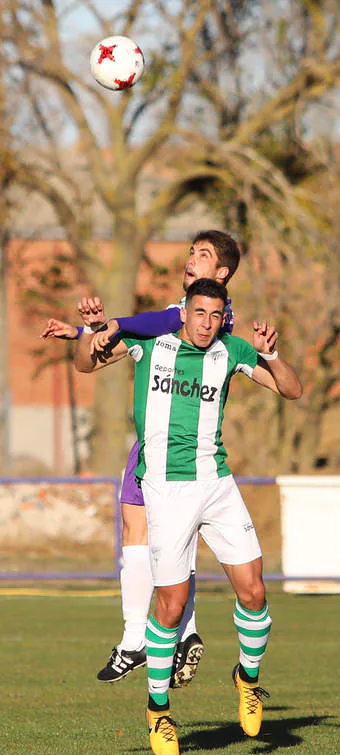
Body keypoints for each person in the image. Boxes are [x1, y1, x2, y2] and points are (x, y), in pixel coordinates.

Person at [74, 277, 302, 755]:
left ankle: (247, 679)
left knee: (255, 588)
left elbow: (292, 390)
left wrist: (273, 355)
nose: (206, 323)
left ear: (224, 317)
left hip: (216, 482)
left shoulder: (232, 350)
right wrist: (90, 335)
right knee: (172, 606)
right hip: (165, 489)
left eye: (215, 315)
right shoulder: (149, 342)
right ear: (184, 312)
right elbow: (86, 364)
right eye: (199, 313)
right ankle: (158, 711)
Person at [41, 231, 240, 688]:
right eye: (191, 252)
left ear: (223, 274)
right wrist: (86, 332)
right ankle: (169, 635)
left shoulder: (210, 314)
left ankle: (148, 637)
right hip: (153, 442)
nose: (191, 259)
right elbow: (105, 354)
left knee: (167, 536)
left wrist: (115, 323)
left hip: (182, 450)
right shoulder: (174, 316)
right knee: (141, 529)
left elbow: (162, 320)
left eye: (204, 255)